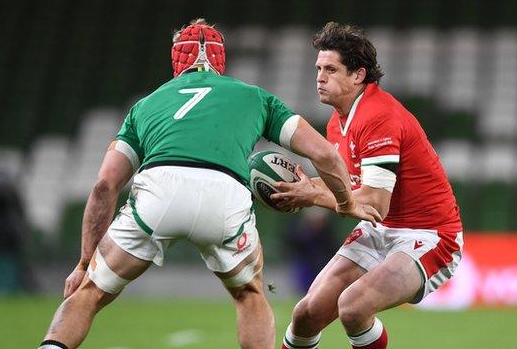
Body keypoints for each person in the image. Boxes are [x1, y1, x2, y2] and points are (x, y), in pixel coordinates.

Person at [38, 18, 380, 349]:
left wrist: (84, 263)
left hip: (159, 191)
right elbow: (326, 156)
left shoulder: (145, 105)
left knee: (91, 291)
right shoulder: (254, 97)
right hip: (225, 194)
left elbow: (104, 185)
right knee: (250, 295)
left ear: (176, 59)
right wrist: (345, 203)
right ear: (220, 61)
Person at [273, 22, 464, 349]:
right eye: (319, 68)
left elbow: (374, 202)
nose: (320, 77)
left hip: (429, 236)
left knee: (354, 306)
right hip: (379, 230)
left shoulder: (378, 115)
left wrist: (312, 195)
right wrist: (308, 188)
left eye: (331, 69)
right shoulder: (339, 120)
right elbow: (350, 188)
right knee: (306, 314)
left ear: (358, 75)